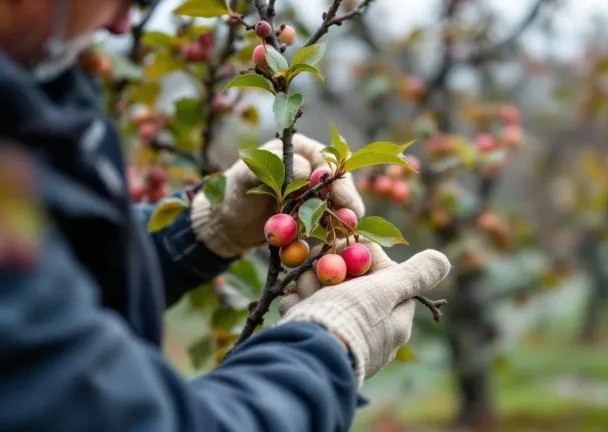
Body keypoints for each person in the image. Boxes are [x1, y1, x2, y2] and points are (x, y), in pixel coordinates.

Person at [0, 0, 452, 431]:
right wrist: (330, 348)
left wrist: (198, 231)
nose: (122, 25)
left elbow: (53, 272)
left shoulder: (40, 102)